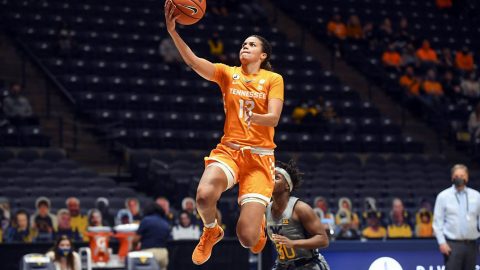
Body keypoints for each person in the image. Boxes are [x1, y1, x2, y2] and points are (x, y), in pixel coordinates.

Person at [165, 0, 285, 265]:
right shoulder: (227, 74)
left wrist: (256, 117)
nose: (245, 46)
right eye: (244, 43)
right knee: (204, 196)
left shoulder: (273, 80)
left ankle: (259, 224)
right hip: (230, 151)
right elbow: (194, 62)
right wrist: (174, 31)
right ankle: (211, 230)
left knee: (247, 239)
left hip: (259, 158)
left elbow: (274, 117)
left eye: (252, 44)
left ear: (263, 55)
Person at [267, 160, 330, 270]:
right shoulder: (265, 209)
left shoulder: (300, 208)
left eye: (276, 177)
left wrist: (293, 243)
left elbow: (323, 240)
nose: (271, 180)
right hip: (283, 265)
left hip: (309, 264)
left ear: (287, 185)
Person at [433, 164, 480, 270]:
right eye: (456, 175)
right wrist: (442, 243)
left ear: (467, 177)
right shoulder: (443, 196)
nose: (459, 178)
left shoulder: (476, 196)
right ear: (452, 177)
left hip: (472, 244)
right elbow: (437, 222)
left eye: (462, 175)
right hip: (451, 245)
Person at [133, 203, 170, 269]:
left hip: (149, 252)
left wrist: (133, 248)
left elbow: (136, 239)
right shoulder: (165, 222)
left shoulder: (146, 220)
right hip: (163, 253)